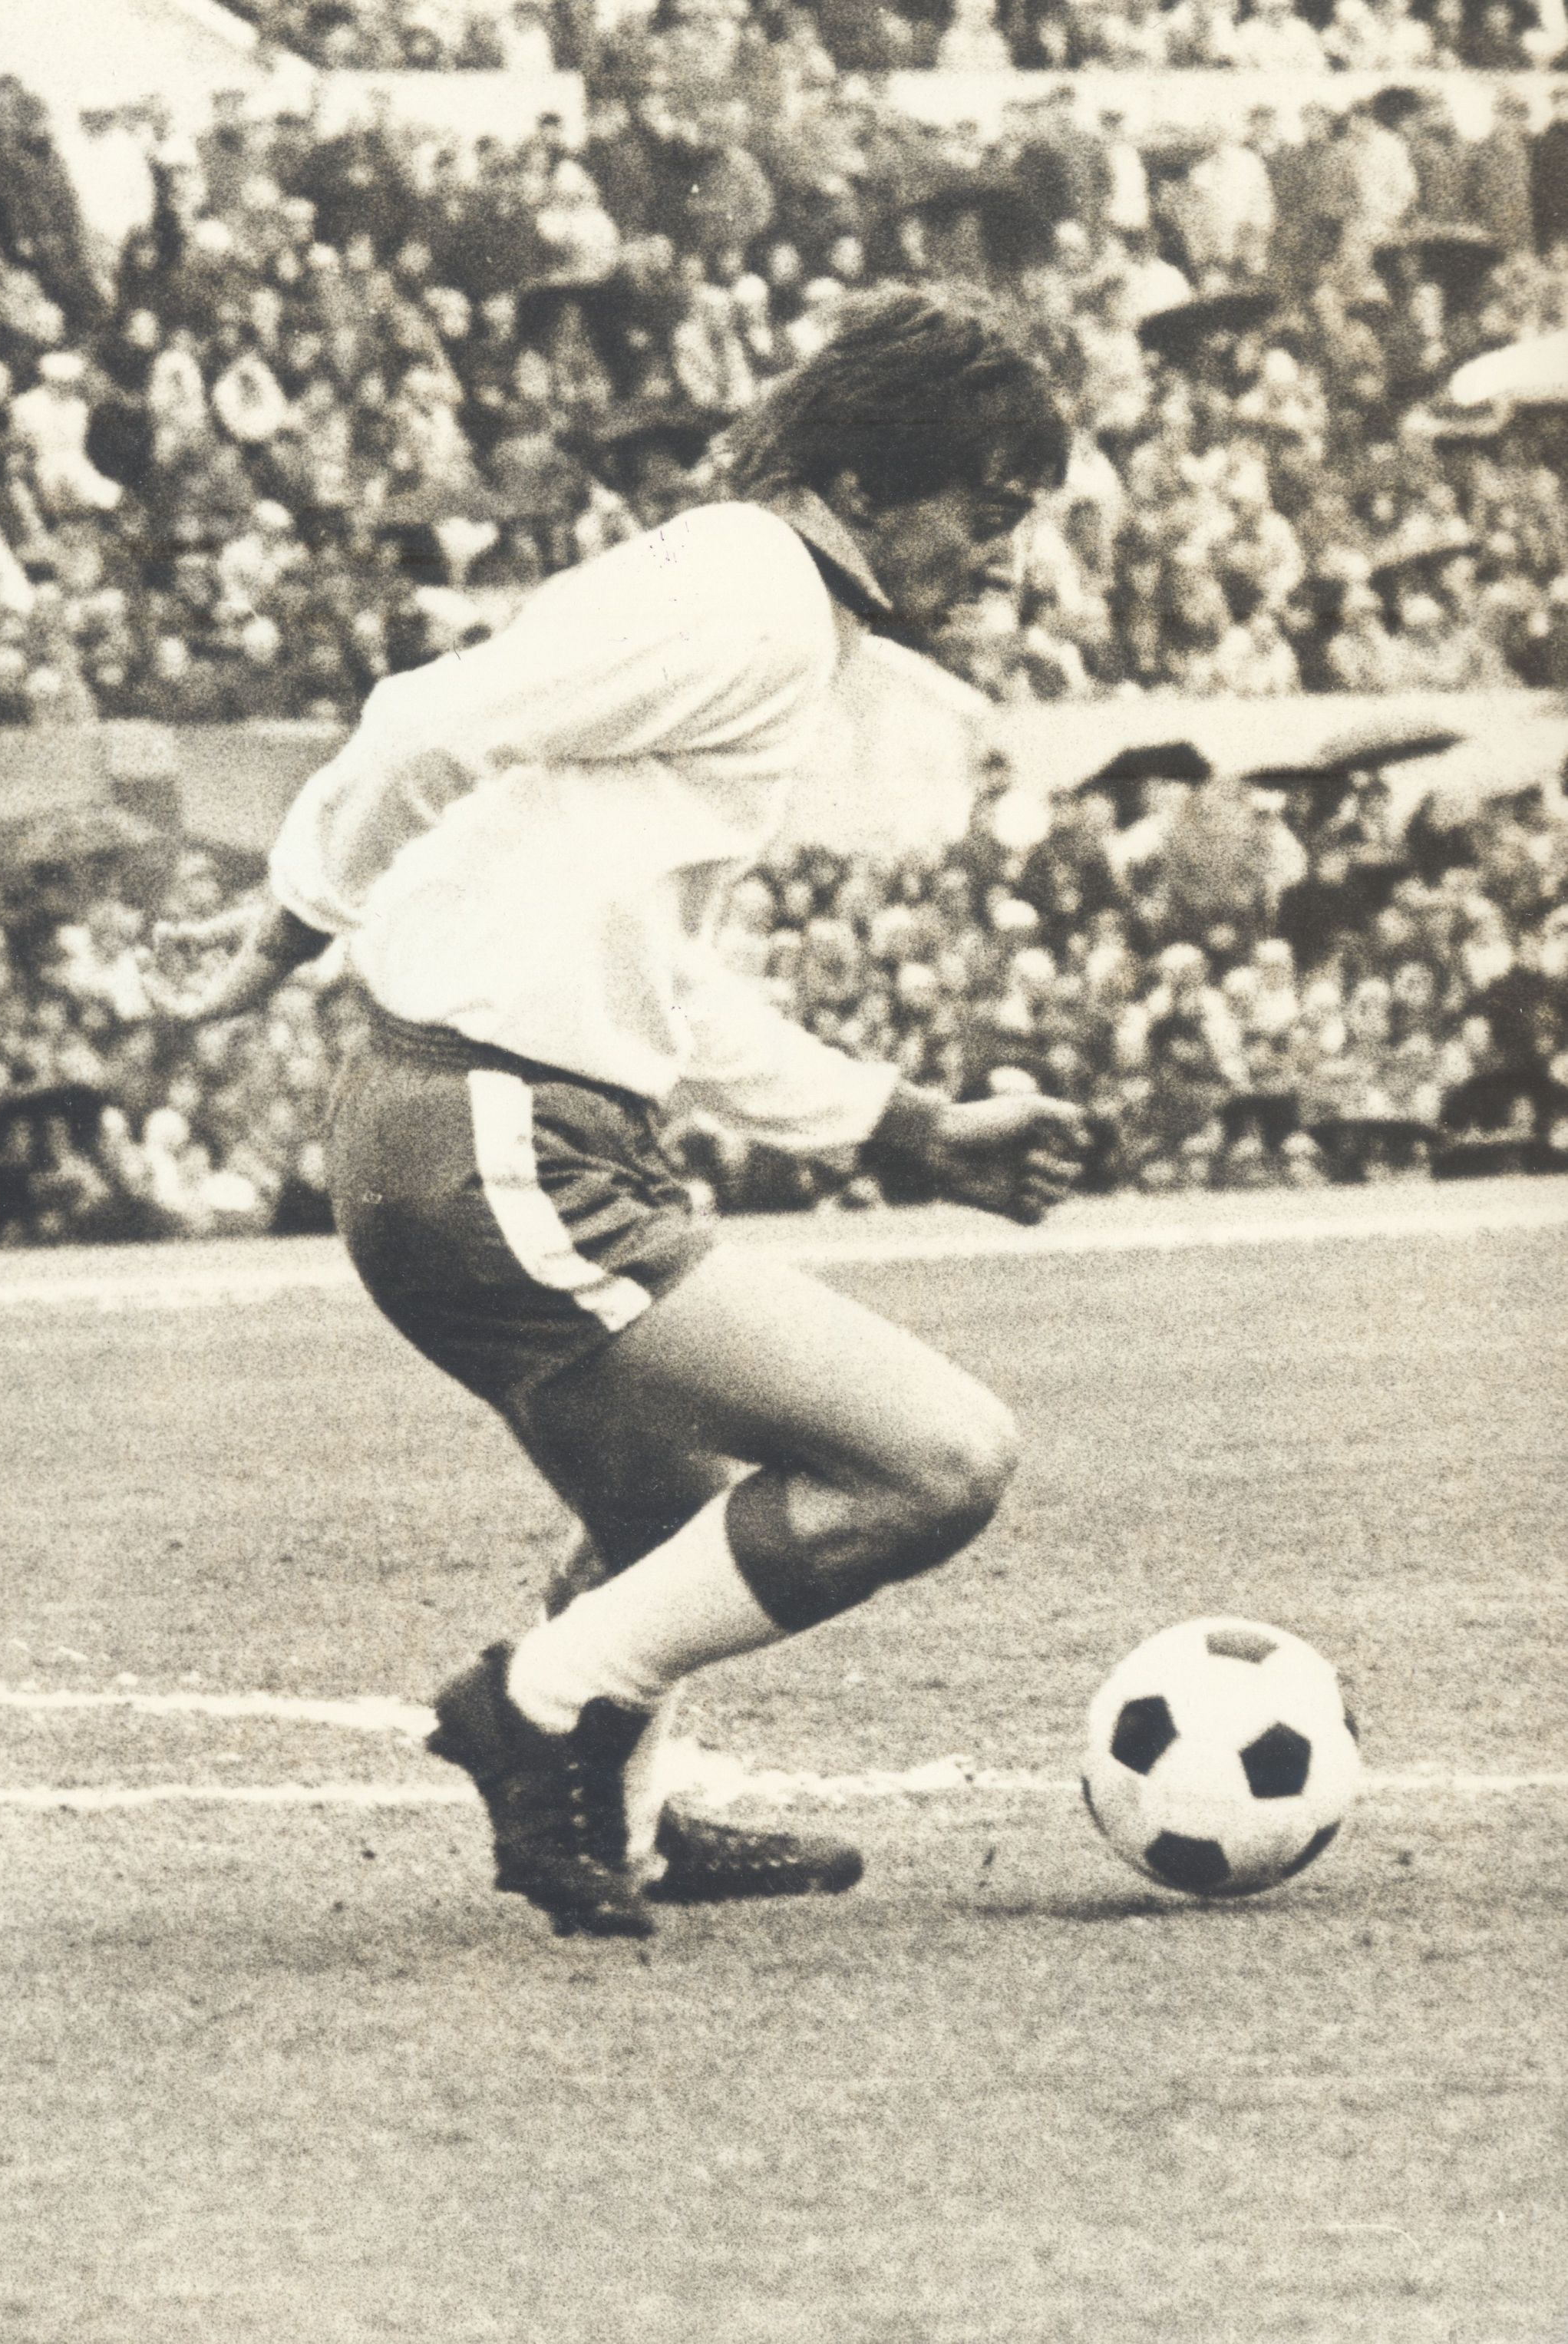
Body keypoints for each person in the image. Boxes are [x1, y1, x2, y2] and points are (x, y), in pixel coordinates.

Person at [150, 291, 1091, 1940]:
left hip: (479, 1126)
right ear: (867, 483)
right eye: (988, 510)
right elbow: (421, 722)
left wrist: (900, 1123)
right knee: (939, 1460)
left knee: (666, 1522)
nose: (1003, 560)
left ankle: (628, 1822)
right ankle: (533, 1705)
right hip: (493, 1138)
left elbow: (648, 968)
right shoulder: (753, 599)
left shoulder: (760, 601)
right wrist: (294, 917)